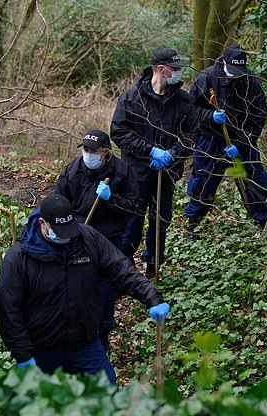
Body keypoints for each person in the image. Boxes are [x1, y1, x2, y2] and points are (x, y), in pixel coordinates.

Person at [0, 193, 170, 383]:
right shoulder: (19, 258)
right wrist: (23, 355)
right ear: (43, 224)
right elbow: (8, 309)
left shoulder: (87, 238)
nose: (67, 237)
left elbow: (121, 269)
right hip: (42, 349)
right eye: (60, 232)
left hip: (84, 343)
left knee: (107, 394)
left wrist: (151, 297)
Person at [111, 47, 225, 276]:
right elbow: (119, 132)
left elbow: (192, 134)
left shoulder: (184, 101)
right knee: (132, 221)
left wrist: (172, 153)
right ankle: (124, 269)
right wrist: (150, 151)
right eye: (175, 68)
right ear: (161, 69)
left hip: (168, 172)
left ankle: (154, 264)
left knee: (160, 220)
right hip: (136, 173)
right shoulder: (132, 97)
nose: (179, 72)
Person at [54, 129, 141, 352]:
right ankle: (74, 332)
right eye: (85, 149)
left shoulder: (122, 172)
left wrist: (111, 199)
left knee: (104, 288)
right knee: (77, 284)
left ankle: (102, 335)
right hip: (78, 234)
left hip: (108, 238)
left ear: (105, 153)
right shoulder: (72, 170)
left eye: (93, 151)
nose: (88, 154)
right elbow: (58, 201)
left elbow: (134, 208)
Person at [184, 44, 267, 238]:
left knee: (255, 181)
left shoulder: (250, 81)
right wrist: (210, 116)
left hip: (241, 140)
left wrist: (242, 143)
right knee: (203, 181)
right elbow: (190, 110)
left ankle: (266, 223)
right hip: (211, 140)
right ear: (224, 62)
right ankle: (193, 225)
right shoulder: (206, 78)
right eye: (233, 69)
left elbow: (259, 116)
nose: (236, 74)